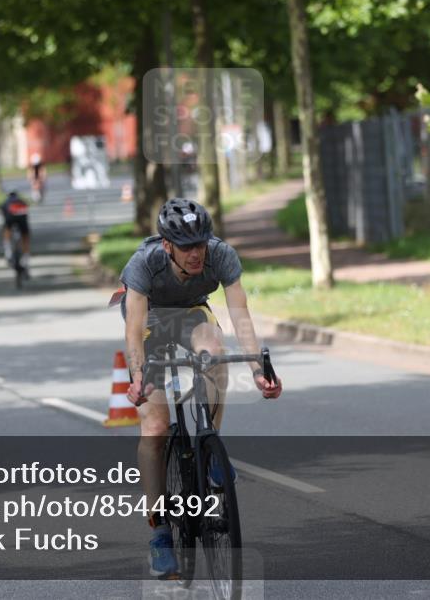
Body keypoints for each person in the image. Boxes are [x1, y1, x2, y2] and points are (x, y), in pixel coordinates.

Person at [119, 198, 282, 577]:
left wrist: (258, 369)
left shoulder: (220, 254)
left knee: (214, 351)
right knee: (155, 426)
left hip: (192, 312)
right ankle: (160, 532)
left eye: (200, 244)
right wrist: (138, 376)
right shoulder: (144, 264)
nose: (196, 254)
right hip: (149, 321)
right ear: (167, 245)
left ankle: (209, 447)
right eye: (186, 246)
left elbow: (240, 315)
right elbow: (133, 330)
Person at [0, 190, 31, 270]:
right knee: (25, 235)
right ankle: (26, 257)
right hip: (22, 219)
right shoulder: (22, 201)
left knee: (6, 228)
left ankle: (8, 251)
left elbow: (3, 215)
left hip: (10, 218)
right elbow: (26, 213)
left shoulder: (5, 202)